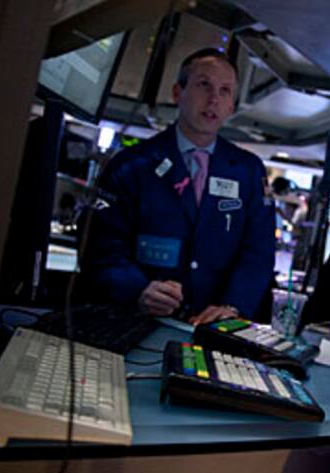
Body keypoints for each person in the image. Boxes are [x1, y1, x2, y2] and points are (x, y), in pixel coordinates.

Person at [86, 48, 275, 325]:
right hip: (137, 321)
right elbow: (101, 247)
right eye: (203, 85)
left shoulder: (249, 171)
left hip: (211, 329)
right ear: (177, 92)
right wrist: (138, 289)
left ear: (231, 106)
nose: (214, 99)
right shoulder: (130, 166)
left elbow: (258, 253)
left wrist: (233, 306)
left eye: (225, 91)